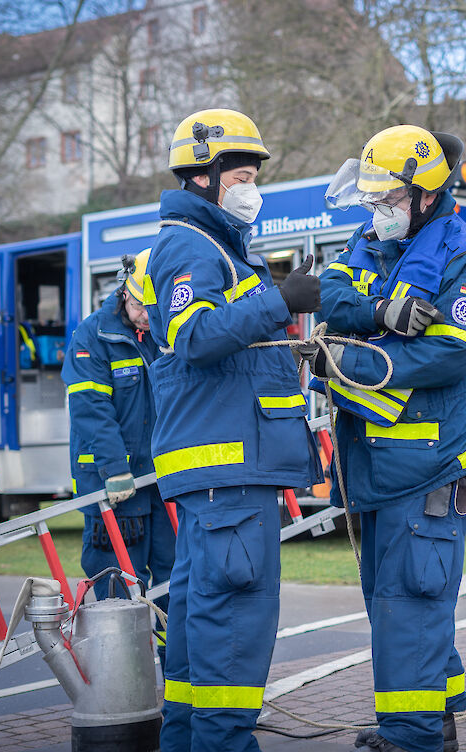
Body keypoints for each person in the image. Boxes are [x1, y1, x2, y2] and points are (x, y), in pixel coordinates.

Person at [306, 125, 466, 752]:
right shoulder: (367, 244)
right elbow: (329, 294)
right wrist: (381, 314)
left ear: (425, 196)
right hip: (372, 472)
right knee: (396, 607)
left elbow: (446, 355)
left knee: (411, 608)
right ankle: (435, 722)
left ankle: (413, 738)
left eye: (388, 198)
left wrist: (343, 362)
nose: (377, 209)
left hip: (428, 473)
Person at [146, 108, 323, 752]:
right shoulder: (190, 246)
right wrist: (282, 300)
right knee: (233, 629)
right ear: (205, 176)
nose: (251, 185)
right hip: (229, 474)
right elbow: (194, 338)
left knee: (200, 629)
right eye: (242, 174)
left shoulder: (218, 245)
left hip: (222, 477)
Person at [61, 248, 173, 625]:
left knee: (174, 586)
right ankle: (125, 681)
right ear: (125, 290)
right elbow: (92, 410)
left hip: (160, 481)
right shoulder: (92, 336)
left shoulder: (164, 330)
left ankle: (175, 675)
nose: (148, 314)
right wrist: (114, 467)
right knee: (119, 594)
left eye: (154, 306)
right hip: (114, 487)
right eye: (143, 305)